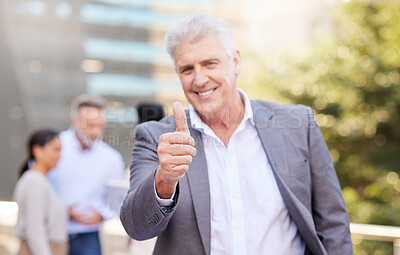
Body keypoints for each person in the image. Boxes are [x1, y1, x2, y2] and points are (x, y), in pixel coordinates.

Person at [120, 13, 353, 255]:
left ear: (235, 62)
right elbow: (136, 228)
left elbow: (333, 223)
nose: (199, 79)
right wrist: (164, 179)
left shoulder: (297, 124)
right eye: (187, 69)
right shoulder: (156, 138)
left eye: (210, 63)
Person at [49, 94, 125, 255]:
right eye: (90, 125)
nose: (95, 132)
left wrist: (101, 215)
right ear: (73, 121)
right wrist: (63, 211)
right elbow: (40, 185)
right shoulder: (53, 148)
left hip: (89, 236)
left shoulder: (111, 159)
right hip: (51, 231)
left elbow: (117, 200)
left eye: (100, 126)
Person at [14, 128, 68, 255]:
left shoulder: (41, 181)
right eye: (56, 150)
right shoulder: (34, 182)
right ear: (37, 150)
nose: (59, 156)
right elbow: (35, 231)